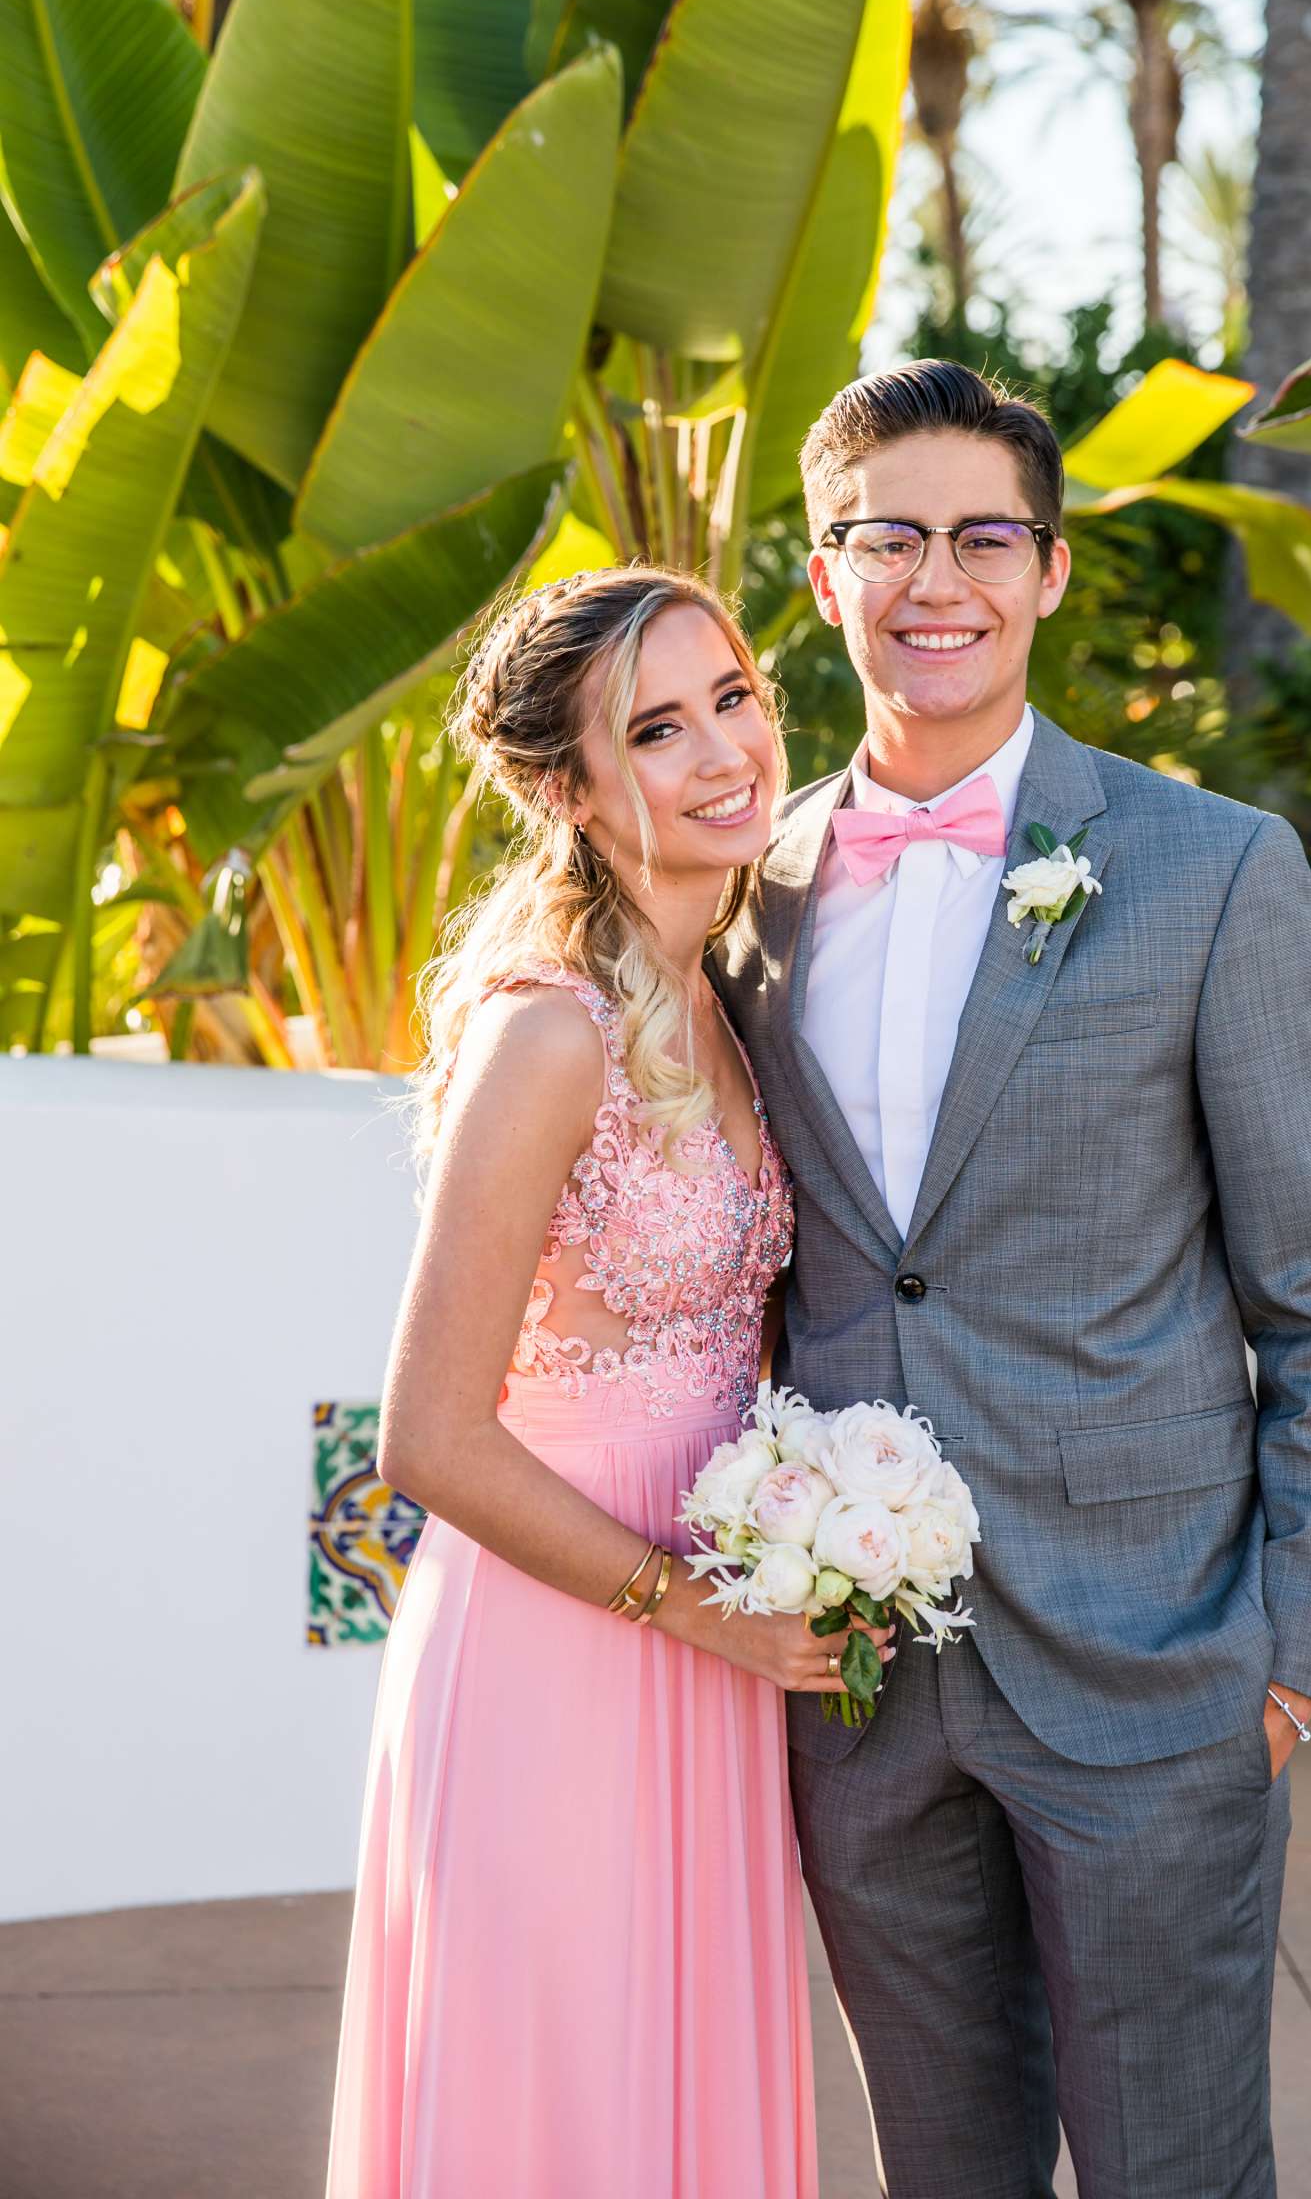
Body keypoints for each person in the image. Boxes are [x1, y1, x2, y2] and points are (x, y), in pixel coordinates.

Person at [714, 360, 1311, 2199]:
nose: (935, 577)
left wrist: (1288, 1660)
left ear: (1049, 572)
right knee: (939, 2169)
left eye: (983, 534)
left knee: (1173, 2168)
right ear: (822, 569)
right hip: (862, 1684)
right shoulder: (741, 898)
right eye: (889, 535)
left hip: (1155, 1664)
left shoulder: (1212, 871)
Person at [325, 567, 890, 2197]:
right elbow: (426, 1435)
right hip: (563, 1645)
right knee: (564, 2104)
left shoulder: (735, 996)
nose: (726, 751)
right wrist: (691, 1605)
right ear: (562, 788)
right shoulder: (547, 1033)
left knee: (676, 2109)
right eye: (657, 728)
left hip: (713, 1649)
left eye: (734, 697)